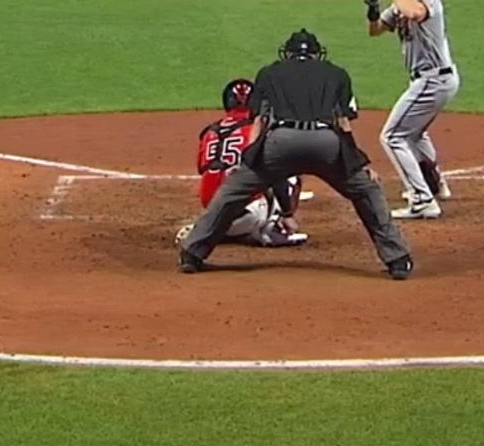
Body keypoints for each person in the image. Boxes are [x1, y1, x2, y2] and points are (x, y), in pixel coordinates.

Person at [177, 29, 415, 280]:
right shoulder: (337, 74)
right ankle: (398, 260)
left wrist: (248, 162)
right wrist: (359, 163)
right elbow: (343, 123)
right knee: (367, 191)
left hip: (280, 144)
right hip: (326, 143)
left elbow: (259, 121)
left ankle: (192, 254)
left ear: (287, 54)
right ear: (316, 54)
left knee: (231, 194)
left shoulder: (268, 73)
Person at [365, 0, 460, 219]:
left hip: (434, 79)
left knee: (392, 136)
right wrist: (372, 3)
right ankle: (435, 185)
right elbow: (375, 30)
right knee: (415, 134)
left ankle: (422, 200)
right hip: (433, 79)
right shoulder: (401, 2)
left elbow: (416, 13)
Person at [173, 78, 309, 249]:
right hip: (247, 215)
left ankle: (211, 228)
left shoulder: (210, 131)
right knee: (289, 172)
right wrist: (287, 213)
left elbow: (203, 168)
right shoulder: (259, 130)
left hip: (212, 208)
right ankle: (275, 229)